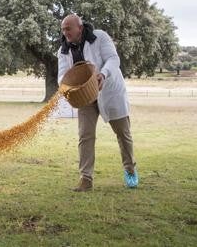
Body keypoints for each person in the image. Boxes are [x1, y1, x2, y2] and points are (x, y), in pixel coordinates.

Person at [57, 14, 138, 192]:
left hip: (109, 92)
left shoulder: (100, 37)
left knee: (123, 134)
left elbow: (113, 59)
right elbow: (62, 76)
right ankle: (86, 178)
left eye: (68, 29)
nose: (65, 33)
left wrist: (103, 74)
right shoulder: (63, 50)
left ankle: (130, 170)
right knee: (85, 135)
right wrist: (67, 89)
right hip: (85, 97)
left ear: (79, 27)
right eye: (63, 30)